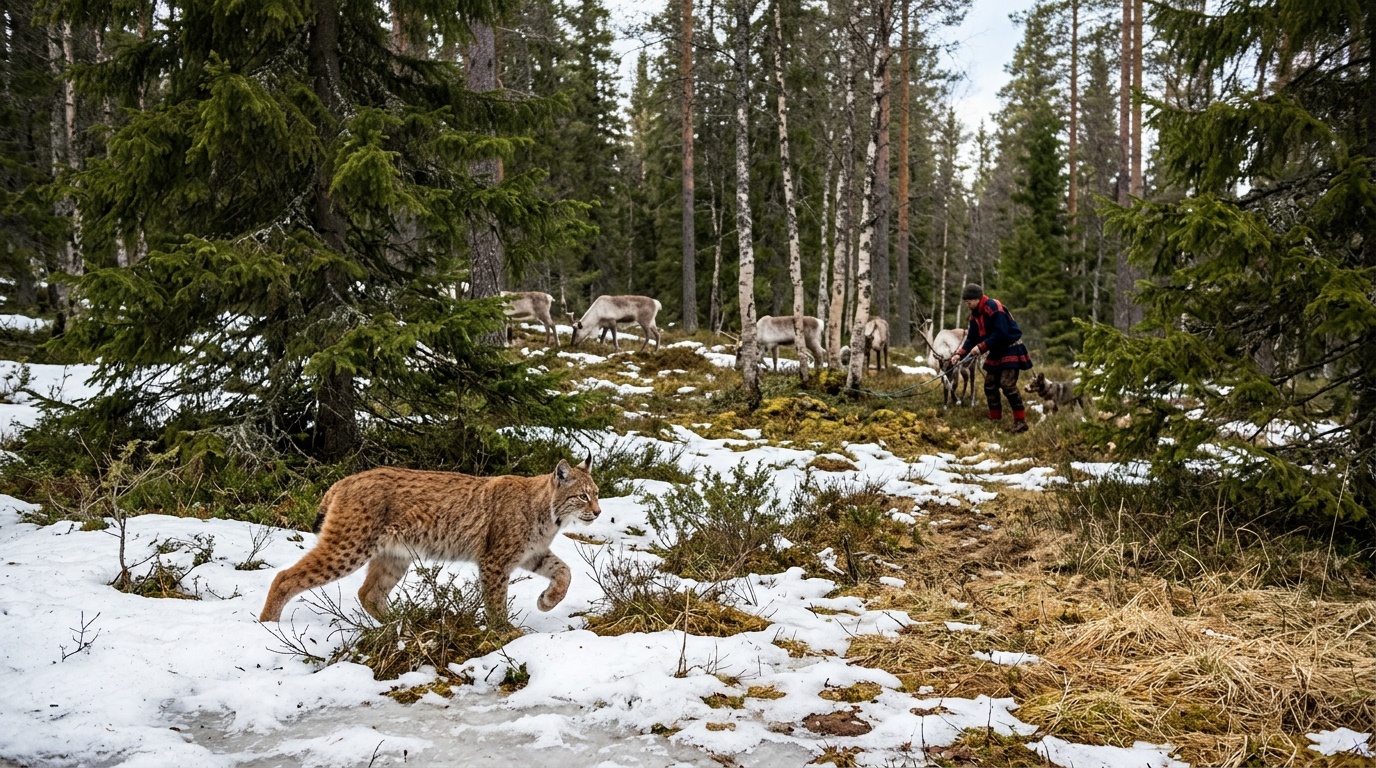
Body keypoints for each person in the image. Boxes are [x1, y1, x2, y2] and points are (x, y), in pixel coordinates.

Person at [950, 283, 1034, 433]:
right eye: (966, 302)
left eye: (969, 301)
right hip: (996, 351)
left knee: (1007, 385)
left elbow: (1000, 333)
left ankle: (1020, 422)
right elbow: (972, 338)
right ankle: (995, 419)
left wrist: (981, 347)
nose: (967, 304)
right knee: (989, 384)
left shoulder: (993, 307)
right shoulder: (974, 316)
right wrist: (959, 353)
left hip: (1010, 348)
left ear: (976, 298)